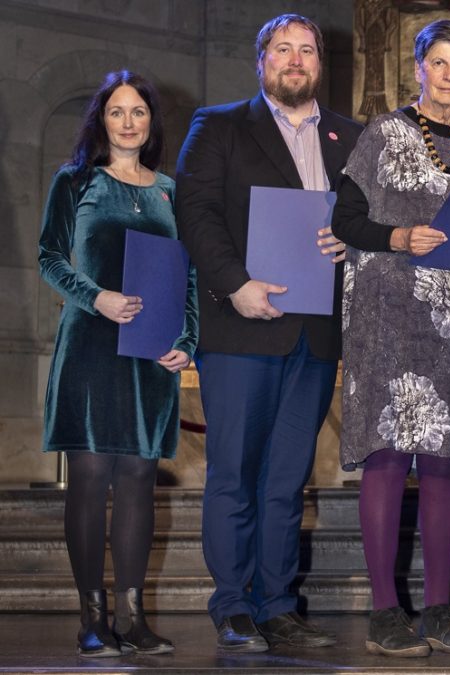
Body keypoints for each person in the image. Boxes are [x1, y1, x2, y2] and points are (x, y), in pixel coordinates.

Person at [175, 13, 362, 652]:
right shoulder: (221, 125)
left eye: (307, 50)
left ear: (319, 64)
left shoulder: (350, 137)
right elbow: (194, 214)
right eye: (283, 49)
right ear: (262, 61)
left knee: (286, 478)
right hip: (240, 330)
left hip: (314, 334)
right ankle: (232, 605)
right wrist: (235, 284)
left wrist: (352, 240)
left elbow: (368, 223)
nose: (295, 59)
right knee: (233, 472)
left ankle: (277, 604)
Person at [330, 19, 450, 658]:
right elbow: (345, 218)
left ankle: (438, 609)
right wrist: (398, 237)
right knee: (387, 459)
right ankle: (385, 612)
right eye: (440, 63)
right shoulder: (380, 133)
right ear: (419, 67)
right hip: (387, 317)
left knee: (443, 462)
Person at [39, 70, 197, 657]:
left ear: (151, 123)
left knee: (136, 480)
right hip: (89, 346)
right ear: (100, 121)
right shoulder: (75, 180)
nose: (128, 122)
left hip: (151, 354)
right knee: (90, 478)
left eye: (139, 112)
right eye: (117, 112)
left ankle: (132, 619)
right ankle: (92, 617)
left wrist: (189, 339)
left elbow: (192, 275)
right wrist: (96, 297)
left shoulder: (171, 192)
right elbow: (49, 257)